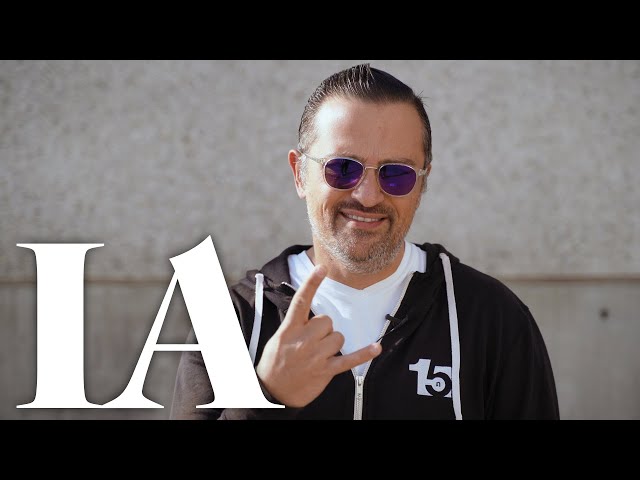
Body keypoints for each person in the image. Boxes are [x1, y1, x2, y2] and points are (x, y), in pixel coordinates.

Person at [170, 63, 560, 420]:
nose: (368, 196)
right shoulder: (233, 319)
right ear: (300, 174)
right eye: (342, 168)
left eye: (396, 174)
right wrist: (266, 398)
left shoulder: (490, 317)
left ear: (422, 183)